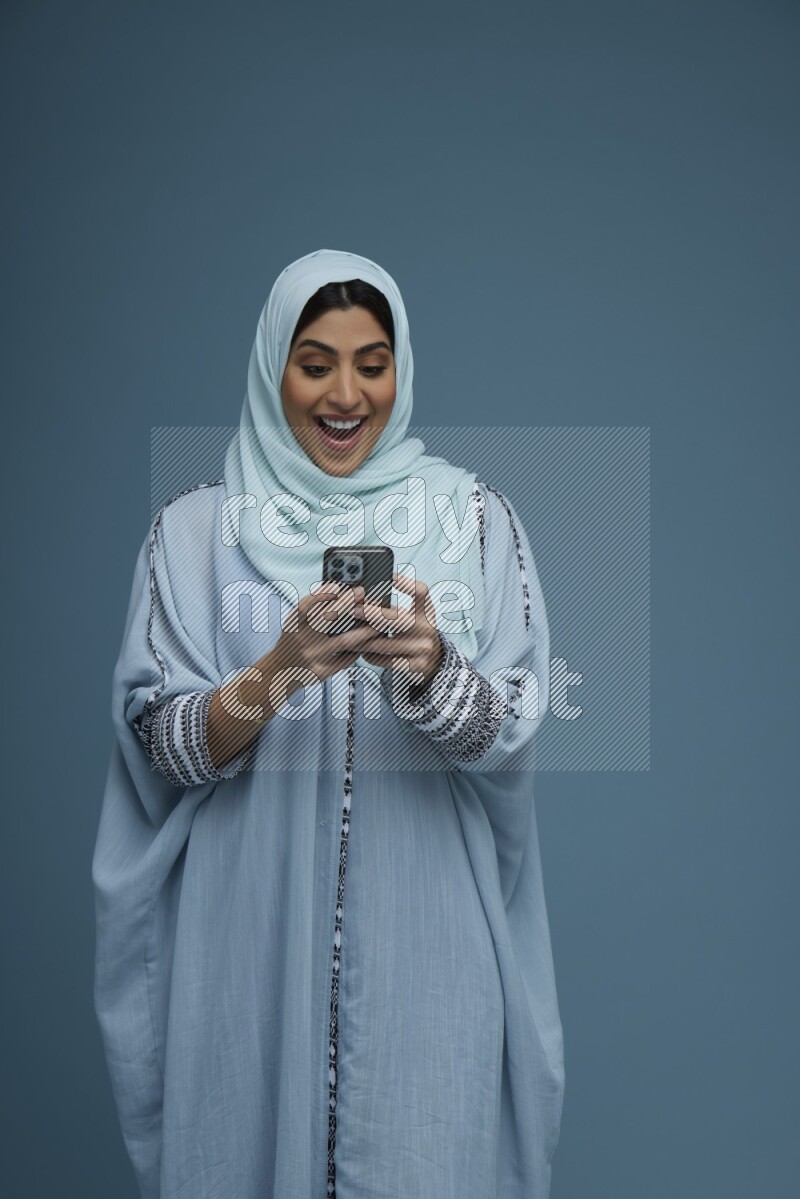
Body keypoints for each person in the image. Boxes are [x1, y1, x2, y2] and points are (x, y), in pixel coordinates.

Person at [92, 248, 565, 1199]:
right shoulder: (192, 534)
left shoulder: (475, 523)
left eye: (372, 362)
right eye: (315, 362)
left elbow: (515, 722)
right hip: (248, 962)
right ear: (276, 369)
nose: (346, 394)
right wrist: (275, 674)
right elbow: (156, 743)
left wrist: (431, 671)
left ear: (401, 368)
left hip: (432, 966)